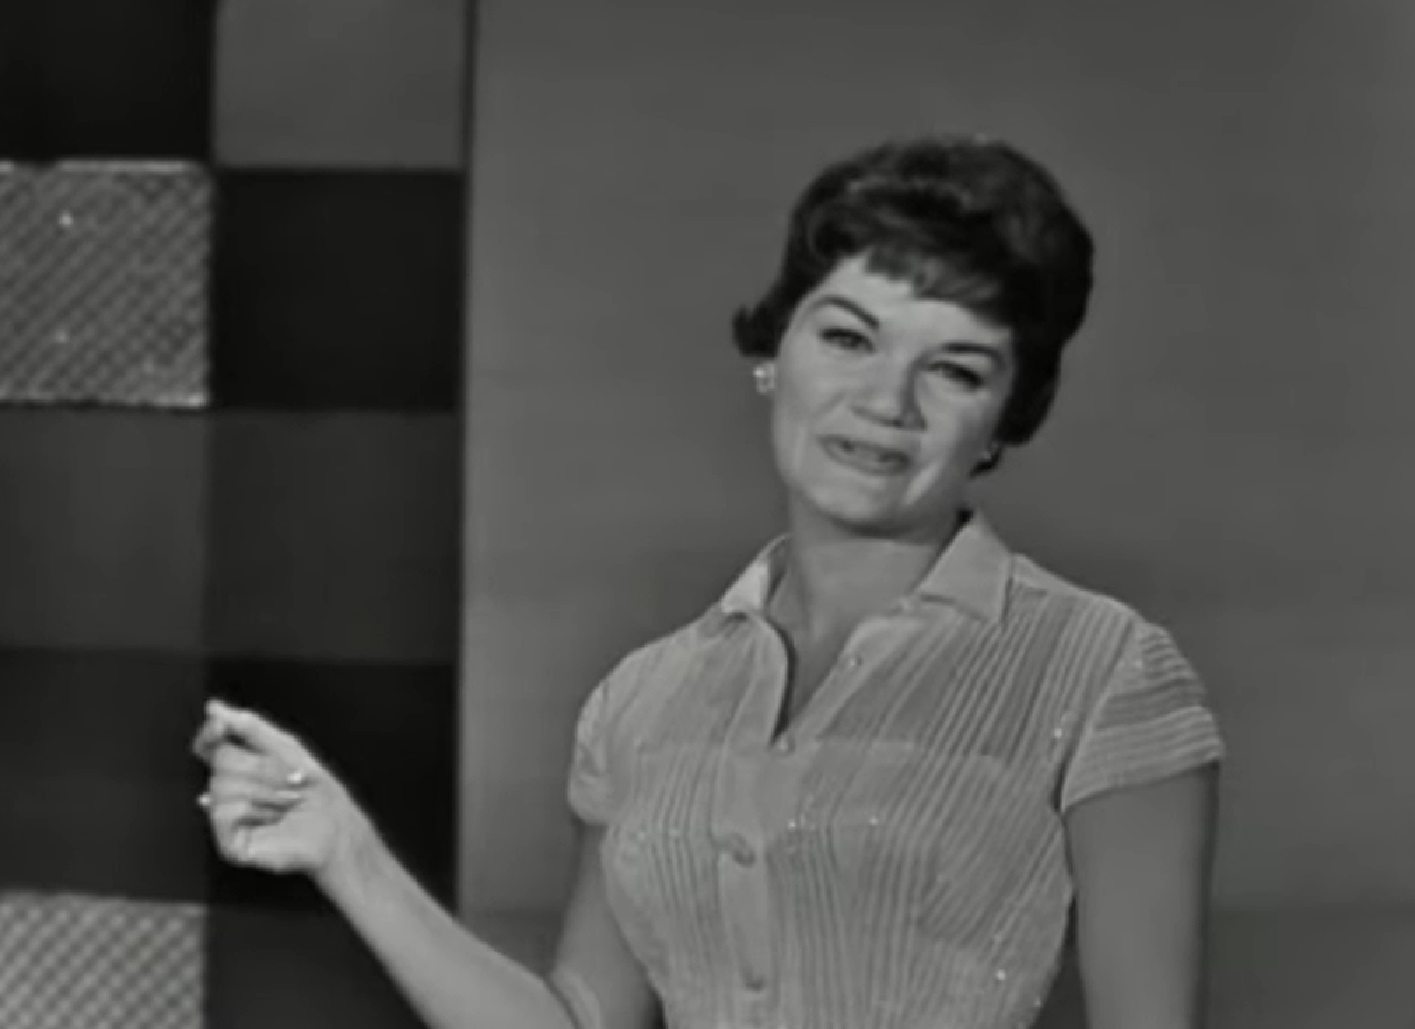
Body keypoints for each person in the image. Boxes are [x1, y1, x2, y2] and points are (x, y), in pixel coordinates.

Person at [193, 134, 1225, 1029]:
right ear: (773, 352)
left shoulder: (1103, 672)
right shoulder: (643, 699)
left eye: (954, 369)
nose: (886, 402)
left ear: (1003, 419)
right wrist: (348, 853)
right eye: (848, 338)